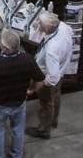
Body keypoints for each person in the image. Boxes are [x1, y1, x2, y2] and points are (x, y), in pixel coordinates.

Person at [0, 30, 44, 158]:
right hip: (19, 103)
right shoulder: (28, 59)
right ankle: (16, 156)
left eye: (1, 44)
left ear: (5, 48)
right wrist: (32, 90)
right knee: (18, 130)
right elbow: (40, 79)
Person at [26, 11, 75, 140]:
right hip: (61, 72)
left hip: (49, 77)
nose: (38, 25)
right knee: (56, 97)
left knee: (46, 103)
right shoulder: (63, 26)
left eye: (40, 24)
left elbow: (52, 77)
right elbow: (72, 33)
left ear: (47, 28)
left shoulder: (52, 50)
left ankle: (44, 130)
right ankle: (53, 121)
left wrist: (42, 85)